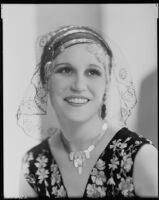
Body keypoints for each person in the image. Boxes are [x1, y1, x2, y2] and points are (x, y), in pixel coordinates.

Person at [17, 25, 158, 198]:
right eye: (65, 70)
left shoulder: (142, 159)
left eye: (92, 72)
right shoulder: (34, 164)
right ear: (46, 81)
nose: (79, 86)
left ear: (106, 84)